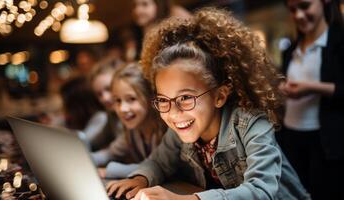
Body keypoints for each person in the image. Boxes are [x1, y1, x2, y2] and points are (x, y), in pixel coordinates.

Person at [107, 7, 310, 200]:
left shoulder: (251, 124)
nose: (175, 113)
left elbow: (261, 191)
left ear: (220, 96)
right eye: (163, 100)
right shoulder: (180, 128)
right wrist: (140, 179)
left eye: (185, 98)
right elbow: (159, 162)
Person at [278, 0, 344, 199]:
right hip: (292, 138)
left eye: (305, 6)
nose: (298, 15)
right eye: (292, 10)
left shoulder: (339, 43)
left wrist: (312, 88)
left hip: (325, 145)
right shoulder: (291, 48)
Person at [93, 63, 167, 179]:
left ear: (150, 97)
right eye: (117, 100)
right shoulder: (132, 131)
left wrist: (109, 171)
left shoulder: (164, 129)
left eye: (131, 99)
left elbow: (158, 167)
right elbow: (109, 153)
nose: (122, 109)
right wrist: (82, 160)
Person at [59, 76, 107, 150]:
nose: (63, 106)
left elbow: (79, 144)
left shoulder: (100, 117)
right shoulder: (80, 119)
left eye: (65, 102)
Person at [88, 58, 124, 151]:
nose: (105, 98)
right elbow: (98, 140)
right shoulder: (112, 114)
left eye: (108, 88)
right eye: (99, 94)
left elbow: (113, 152)